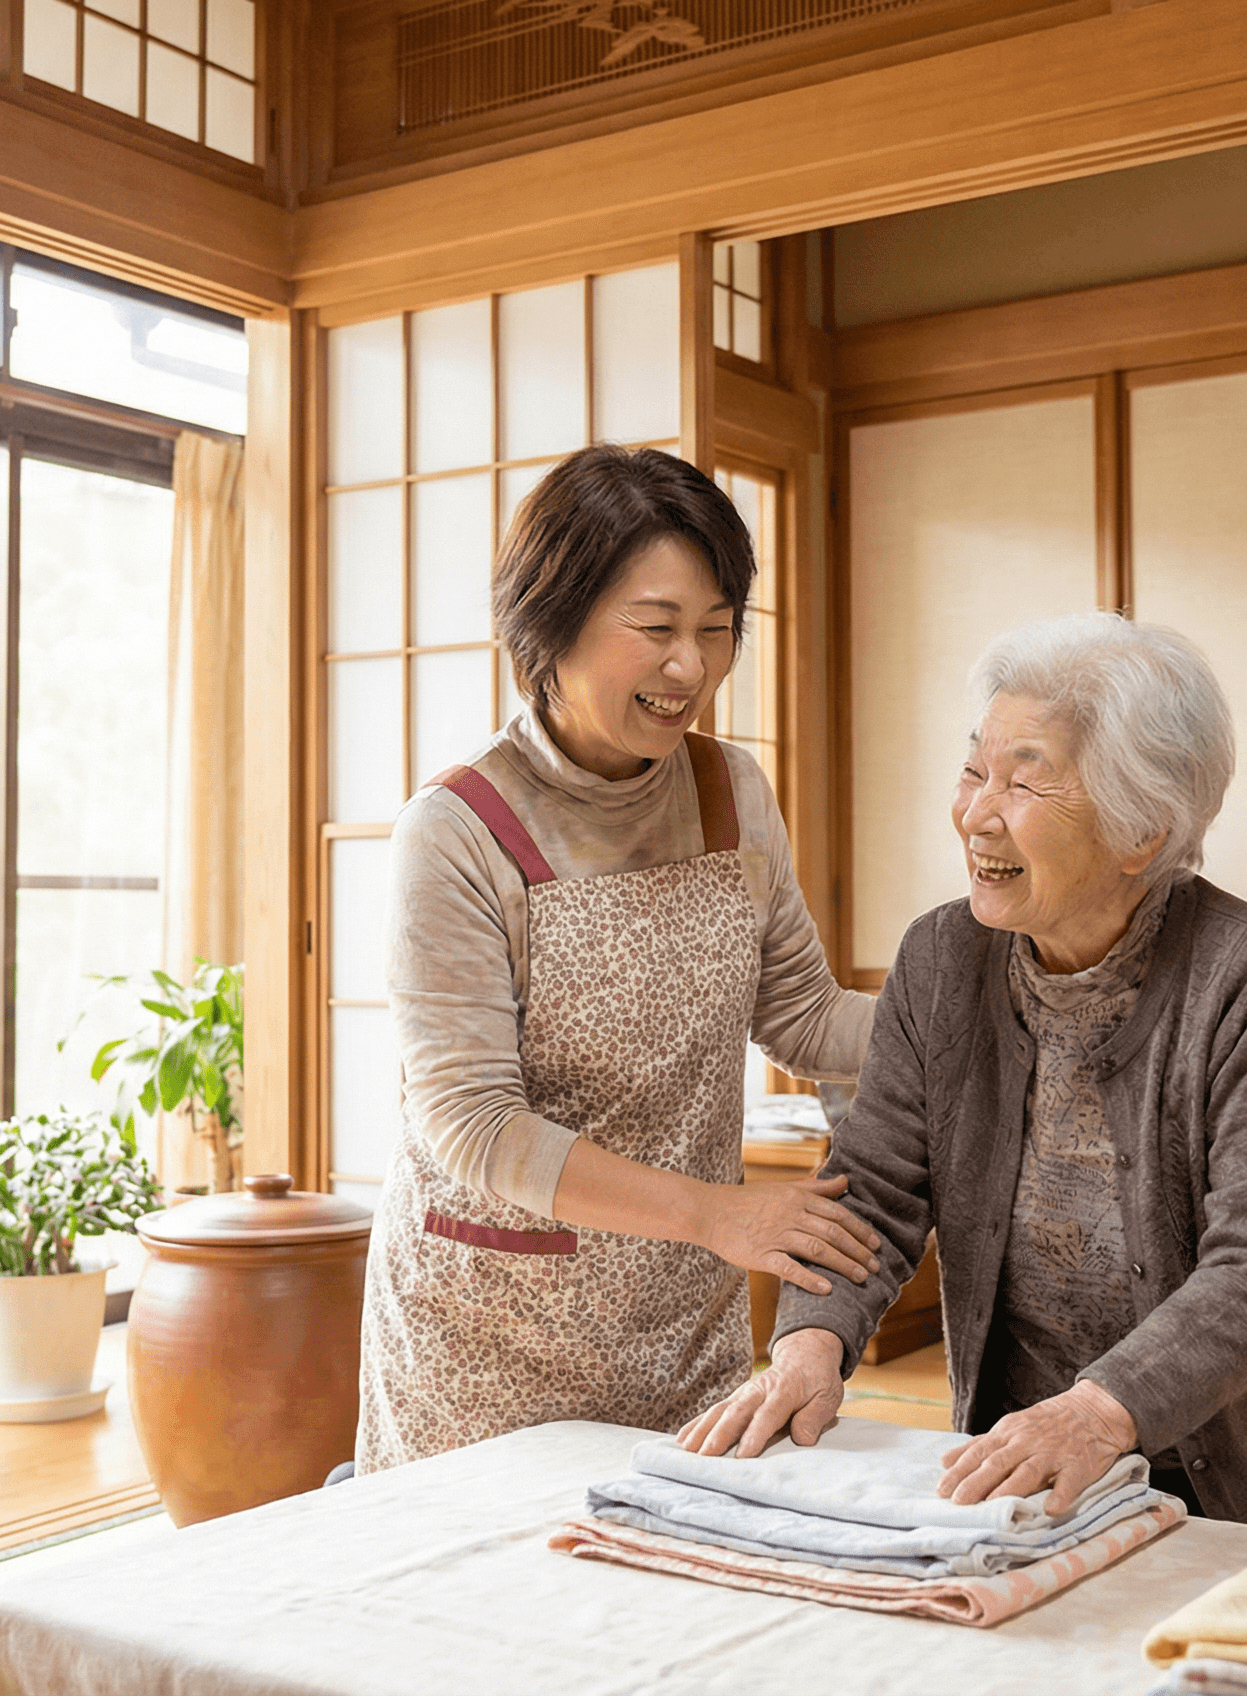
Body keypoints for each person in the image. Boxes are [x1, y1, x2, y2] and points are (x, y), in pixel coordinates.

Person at [679, 611, 1247, 1529]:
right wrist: (812, 1342)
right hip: (1031, 1467)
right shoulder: (941, 961)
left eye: (1025, 784)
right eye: (975, 770)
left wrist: (1101, 1411)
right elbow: (876, 1192)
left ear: (1143, 833)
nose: (976, 812)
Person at [357, 444, 882, 1472]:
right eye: (655, 629)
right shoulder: (456, 829)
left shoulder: (732, 791)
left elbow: (807, 1020)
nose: (689, 666)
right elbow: (471, 1123)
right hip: (488, 1341)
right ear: (548, 621)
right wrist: (714, 1212)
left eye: (715, 631)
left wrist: (985, 991)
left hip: (685, 1329)